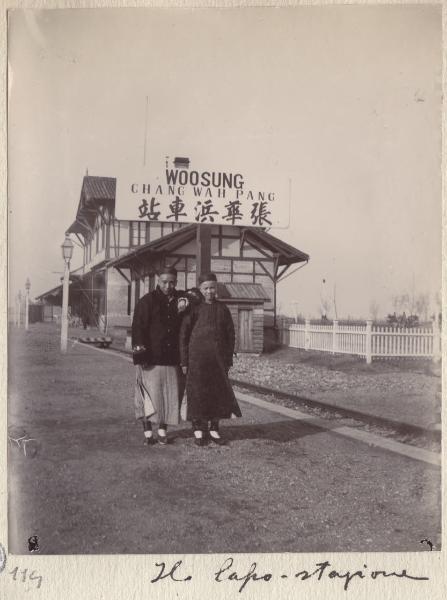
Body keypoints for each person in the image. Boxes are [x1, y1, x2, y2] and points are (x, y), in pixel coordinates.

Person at [179, 272, 242, 446]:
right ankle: (198, 429)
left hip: (218, 361)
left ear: (217, 288)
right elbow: (183, 335)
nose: (209, 291)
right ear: (200, 289)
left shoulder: (223, 309)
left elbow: (231, 335)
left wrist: (228, 359)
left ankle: (214, 428)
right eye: (206, 288)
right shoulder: (194, 309)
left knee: (217, 394)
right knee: (197, 393)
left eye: (212, 288)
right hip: (197, 361)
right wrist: (184, 361)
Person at [131, 266, 187, 446]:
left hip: (172, 359)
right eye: (164, 282)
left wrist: (185, 299)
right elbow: (138, 329)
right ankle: (148, 432)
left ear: (176, 282)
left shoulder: (180, 299)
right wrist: (141, 357)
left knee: (168, 397)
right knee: (149, 396)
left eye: (172, 282)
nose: (168, 286)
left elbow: (197, 295)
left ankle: (163, 431)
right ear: (158, 281)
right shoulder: (147, 301)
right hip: (151, 359)